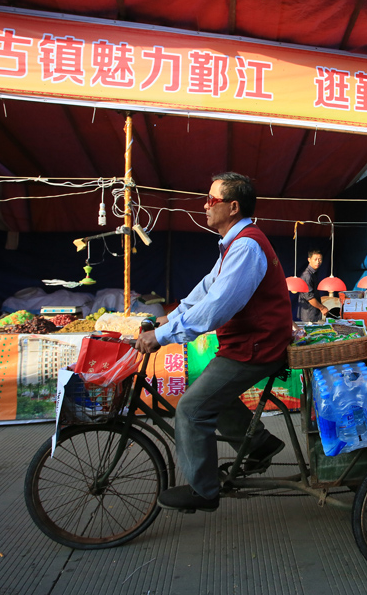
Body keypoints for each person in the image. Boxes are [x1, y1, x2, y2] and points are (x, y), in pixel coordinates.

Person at [134, 172, 292, 513]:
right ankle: (260, 444)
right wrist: (168, 319)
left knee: (191, 409)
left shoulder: (246, 246)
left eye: (212, 200)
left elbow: (216, 309)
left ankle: (203, 491)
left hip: (257, 346)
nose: (205, 206)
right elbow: (205, 291)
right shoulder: (234, 244)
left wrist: (162, 336)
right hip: (248, 343)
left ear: (233, 207)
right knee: (205, 391)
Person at [298, 249, 328, 322]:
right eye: (315, 259)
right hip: (309, 315)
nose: (318, 262)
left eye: (320, 259)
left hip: (312, 313)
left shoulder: (313, 273)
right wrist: (322, 308)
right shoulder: (307, 275)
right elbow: (310, 297)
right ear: (309, 259)